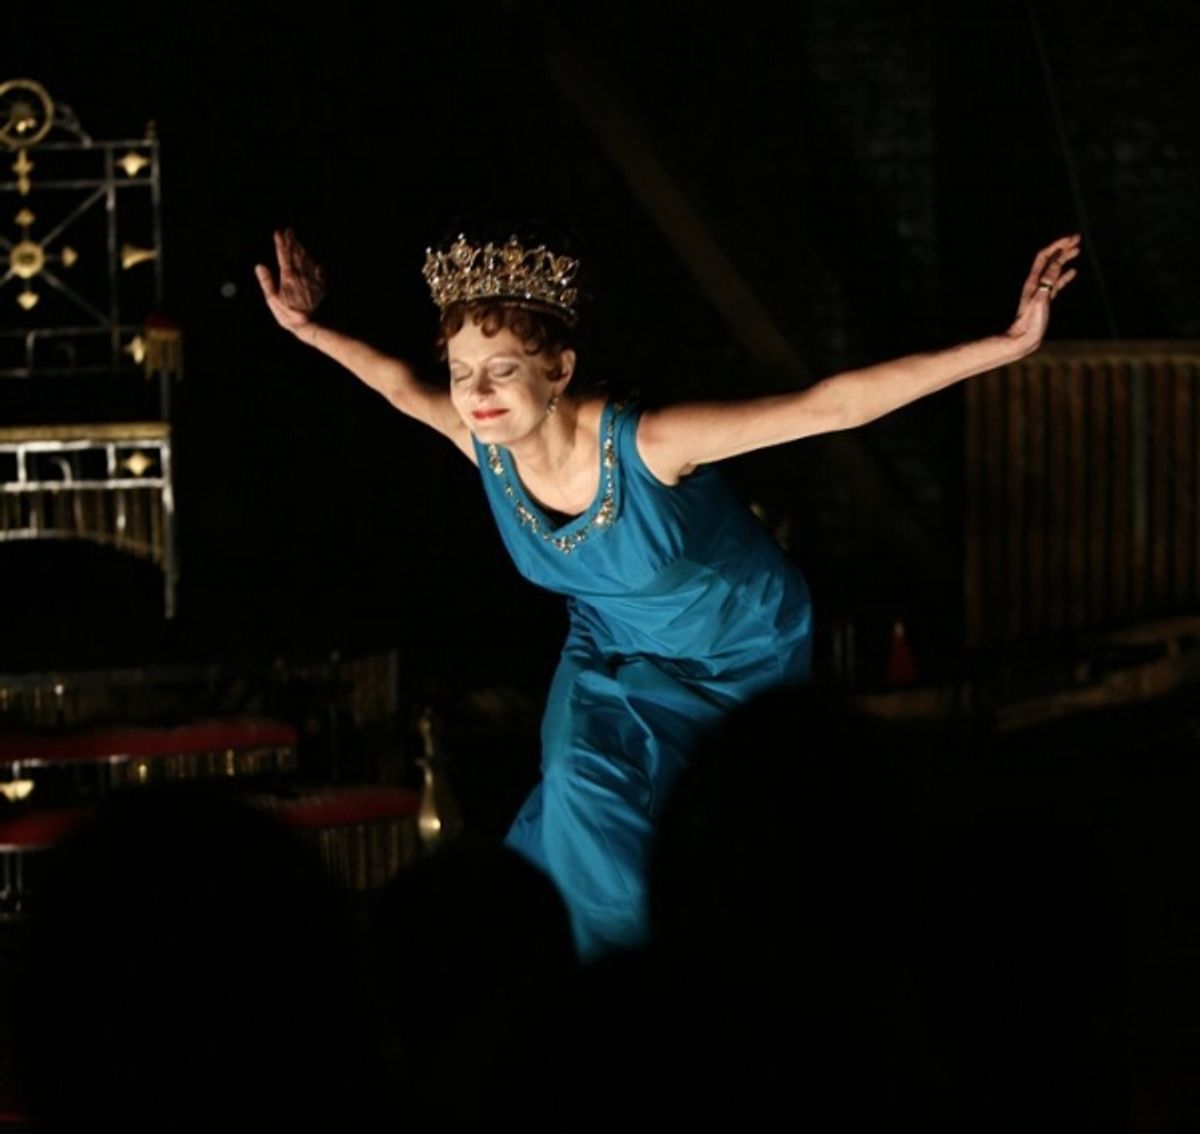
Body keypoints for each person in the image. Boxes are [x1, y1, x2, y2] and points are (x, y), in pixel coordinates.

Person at [256, 227, 1080, 959]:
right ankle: (584, 973)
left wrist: (1006, 345)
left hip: (735, 648)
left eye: (502, 371)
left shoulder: (649, 443)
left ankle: (682, 969)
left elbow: (829, 405)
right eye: (463, 372)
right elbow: (400, 384)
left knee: (718, 827)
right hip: (611, 642)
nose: (476, 394)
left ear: (559, 370)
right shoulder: (485, 448)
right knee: (577, 781)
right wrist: (308, 327)